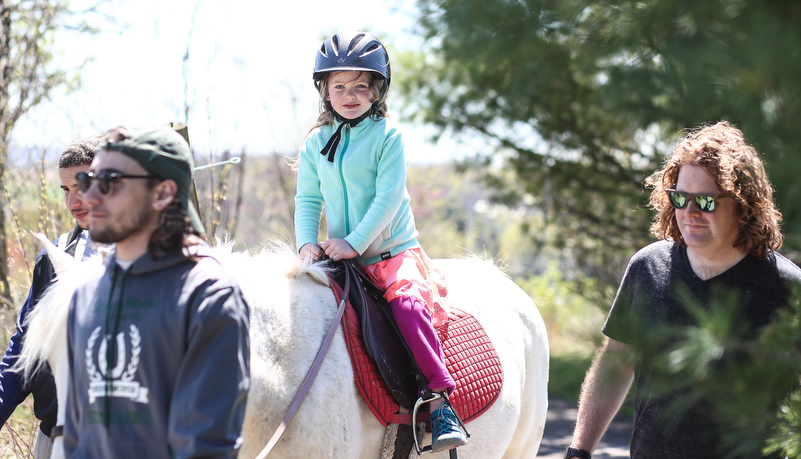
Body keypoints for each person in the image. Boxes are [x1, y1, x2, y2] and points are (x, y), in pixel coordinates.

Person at [564, 121, 801, 459]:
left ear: (743, 204)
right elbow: (615, 363)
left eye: (705, 201)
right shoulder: (647, 268)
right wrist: (579, 450)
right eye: (679, 198)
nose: (688, 213)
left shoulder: (787, 288)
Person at [294, 31, 467, 452]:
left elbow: (388, 198)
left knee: (407, 307)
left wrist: (354, 241)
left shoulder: (389, 136)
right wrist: (305, 243)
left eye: (360, 86)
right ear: (325, 92)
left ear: (377, 90)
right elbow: (308, 198)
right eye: (339, 86)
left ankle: (440, 401)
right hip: (341, 257)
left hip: (391, 253)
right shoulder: (316, 142)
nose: (349, 94)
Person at [62, 125, 250, 458]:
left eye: (109, 183)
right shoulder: (85, 294)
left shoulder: (208, 297)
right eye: (87, 182)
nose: (89, 197)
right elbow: (77, 439)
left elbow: (204, 448)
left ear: (162, 193)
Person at [0, 135, 103, 459]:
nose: (73, 202)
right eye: (66, 190)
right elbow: (25, 345)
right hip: (51, 438)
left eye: (84, 186)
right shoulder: (54, 256)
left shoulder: (147, 264)